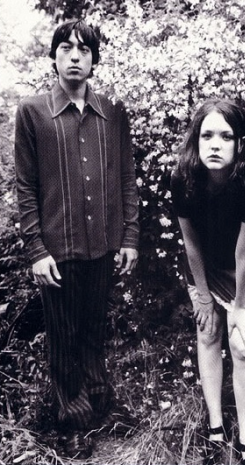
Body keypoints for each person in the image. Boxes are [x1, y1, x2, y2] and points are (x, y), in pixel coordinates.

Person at [14, 20, 139, 459]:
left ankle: (100, 406)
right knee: (64, 339)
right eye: (66, 47)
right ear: (54, 56)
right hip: (57, 250)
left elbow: (126, 177)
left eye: (83, 50)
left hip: (103, 244)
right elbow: (25, 187)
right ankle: (71, 423)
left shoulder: (113, 112)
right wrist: (36, 250)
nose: (74, 56)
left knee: (94, 330)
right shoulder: (33, 112)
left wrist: (130, 236)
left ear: (93, 60)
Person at [171, 100, 245, 465]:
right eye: (207, 135)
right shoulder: (182, 179)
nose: (215, 144)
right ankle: (215, 428)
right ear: (196, 140)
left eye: (226, 136)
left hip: (241, 268)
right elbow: (191, 244)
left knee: (243, 345)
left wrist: (241, 309)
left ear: (240, 143)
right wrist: (204, 298)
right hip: (203, 265)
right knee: (208, 332)